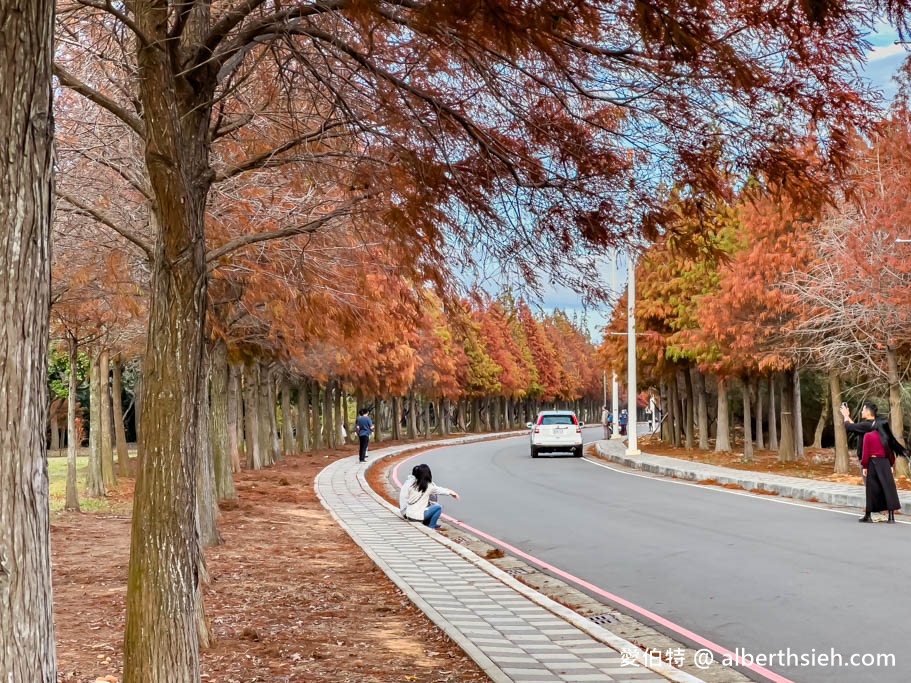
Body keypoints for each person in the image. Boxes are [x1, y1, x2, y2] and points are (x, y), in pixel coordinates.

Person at [857, 417, 906, 523]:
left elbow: (865, 454)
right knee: (888, 489)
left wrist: (864, 466)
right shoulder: (886, 437)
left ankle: (868, 515)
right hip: (885, 463)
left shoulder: (868, 435)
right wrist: (891, 465)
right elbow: (891, 454)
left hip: (873, 463)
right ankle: (891, 517)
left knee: (871, 489)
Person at [399, 464, 459, 530]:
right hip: (417, 517)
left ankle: (427, 522)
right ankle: (431, 526)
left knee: (428, 505)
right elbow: (440, 490)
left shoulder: (411, 485)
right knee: (438, 507)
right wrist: (451, 493)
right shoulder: (429, 486)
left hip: (409, 515)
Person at [840, 401, 877, 480]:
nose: (862, 412)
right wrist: (847, 416)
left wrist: (845, 415)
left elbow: (848, 426)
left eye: (863, 410)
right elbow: (855, 427)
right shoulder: (873, 424)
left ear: (868, 412)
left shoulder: (866, 425)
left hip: (867, 460)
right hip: (874, 459)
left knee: (869, 485)